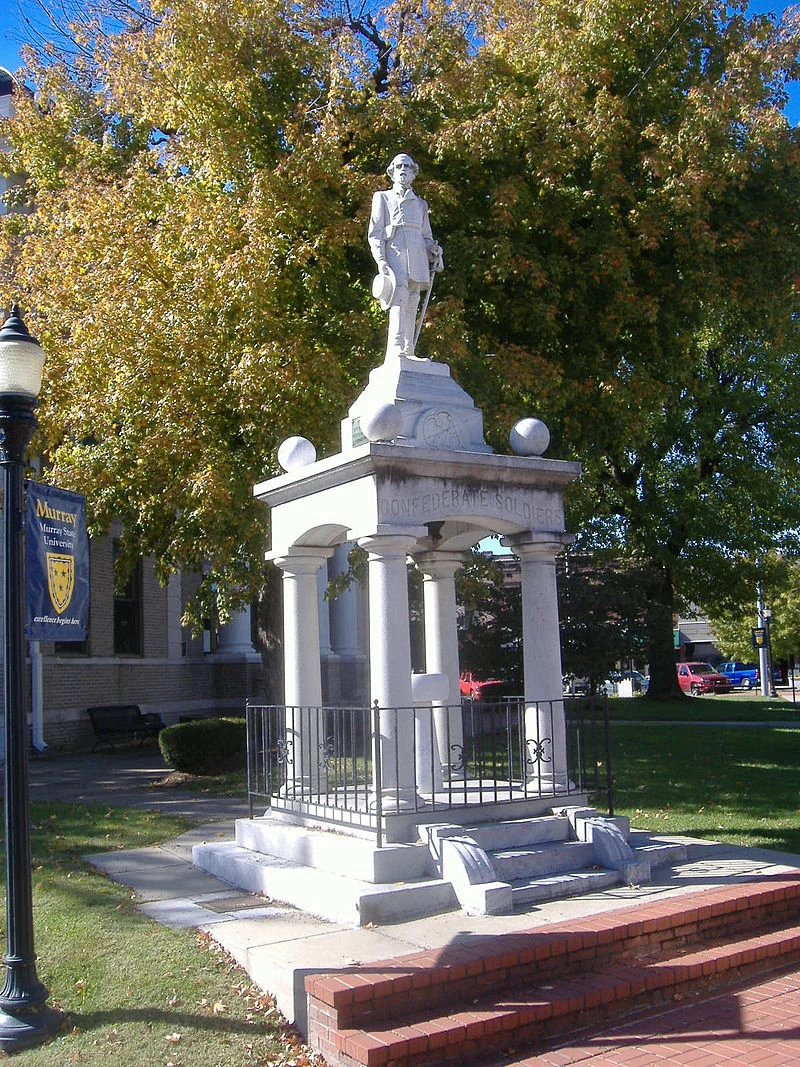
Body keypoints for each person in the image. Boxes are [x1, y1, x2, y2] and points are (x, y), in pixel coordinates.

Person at [368, 154, 443, 360]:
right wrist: (381, 260)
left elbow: (426, 236)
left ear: (413, 172)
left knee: (413, 298)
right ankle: (396, 348)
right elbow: (375, 233)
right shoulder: (382, 198)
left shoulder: (421, 204)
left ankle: (409, 349)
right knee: (399, 297)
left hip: (417, 255)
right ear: (392, 172)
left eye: (407, 166)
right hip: (395, 252)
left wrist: (433, 250)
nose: (403, 170)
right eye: (399, 166)